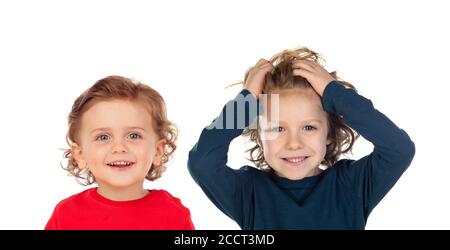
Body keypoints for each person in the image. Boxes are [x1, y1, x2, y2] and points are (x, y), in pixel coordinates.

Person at [188, 47, 415, 229]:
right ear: (259, 137)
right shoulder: (249, 192)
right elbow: (202, 162)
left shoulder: (352, 186)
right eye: (278, 129)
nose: (294, 143)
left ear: (328, 133)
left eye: (308, 127)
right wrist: (245, 101)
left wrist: (333, 92)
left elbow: (399, 149)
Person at [46, 76, 194, 230]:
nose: (119, 147)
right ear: (80, 155)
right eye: (103, 137)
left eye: (134, 136)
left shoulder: (172, 214)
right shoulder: (66, 215)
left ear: (157, 151)